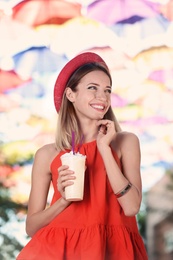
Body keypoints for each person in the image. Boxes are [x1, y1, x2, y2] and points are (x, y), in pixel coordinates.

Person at [17, 52, 148, 260]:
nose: (102, 97)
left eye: (107, 90)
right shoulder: (47, 154)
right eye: (92, 88)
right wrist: (62, 202)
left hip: (114, 249)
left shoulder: (125, 142)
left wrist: (104, 148)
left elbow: (131, 207)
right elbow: (32, 228)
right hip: (59, 250)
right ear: (71, 95)